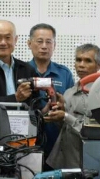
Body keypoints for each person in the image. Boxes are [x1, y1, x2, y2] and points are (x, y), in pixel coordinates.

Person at [45, 44, 100, 169]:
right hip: (61, 161)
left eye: (88, 61)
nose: (81, 65)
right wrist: (59, 113)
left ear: (98, 66)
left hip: (86, 162)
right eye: (78, 60)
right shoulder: (69, 92)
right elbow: (64, 128)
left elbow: (95, 132)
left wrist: (66, 116)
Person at [26, 23, 74, 158]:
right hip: (27, 140)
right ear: (29, 44)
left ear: (54, 45)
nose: (44, 46)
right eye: (39, 41)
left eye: (48, 42)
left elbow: (72, 107)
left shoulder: (64, 73)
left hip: (58, 142)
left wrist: (64, 107)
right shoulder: (21, 71)